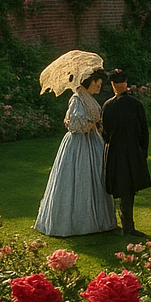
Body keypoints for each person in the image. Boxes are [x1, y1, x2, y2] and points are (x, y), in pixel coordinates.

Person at [34, 67, 117, 237]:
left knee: (94, 180)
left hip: (93, 142)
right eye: (97, 84)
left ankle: (96, 220)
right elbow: (74, 124)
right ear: (89, 82)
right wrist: (92, 123)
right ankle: (76, 222)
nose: (99, 87)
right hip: (79, 145)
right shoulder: (77, 98)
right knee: (79, 179)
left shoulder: (89, 98)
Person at [102, 68, 151, 238]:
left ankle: (126, 225)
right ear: (125, 83)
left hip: (115, 152)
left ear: (112, 85)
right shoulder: (135, 105)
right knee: (129, 190)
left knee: (123, 188)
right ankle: (128, 226)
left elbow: (105, 133)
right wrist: (143, 150)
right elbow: (143, 131)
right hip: (132, 151)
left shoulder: (108, 106)